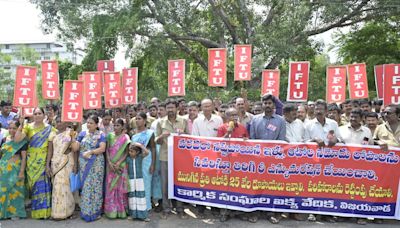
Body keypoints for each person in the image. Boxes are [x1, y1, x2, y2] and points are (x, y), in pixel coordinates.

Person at [14, 107, 57, 219]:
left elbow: (50, 149)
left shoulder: (50, 129)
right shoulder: (28, 127)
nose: (37, 115)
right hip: (31, 161)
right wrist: (21, 125)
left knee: (42, 185)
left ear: (44, 115)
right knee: (33, 186)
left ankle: (44, 213)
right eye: (35, 113)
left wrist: (48, 164)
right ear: (33, 115)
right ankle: (36, 211)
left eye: (39, 113)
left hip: (43, 160)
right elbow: (17, 139)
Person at [249, 94, 286, 224]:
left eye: (270, 103)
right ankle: (254, 212)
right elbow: (252, 140)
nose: (267, 106)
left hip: (273, 160)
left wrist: (272, 155)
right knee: (256, 186)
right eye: (265, 103)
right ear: (262, 105)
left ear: (274, 105)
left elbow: (281, 141)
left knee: (270, 187)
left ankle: (270, 212)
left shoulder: (281, 121)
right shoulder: (255, 120)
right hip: (257, 159)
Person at [304, 100, 341, 223]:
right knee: (313, 186)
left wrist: (336, 140)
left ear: (326, 111)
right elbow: (303, 142)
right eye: (316, 109)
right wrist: (314, 140)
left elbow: (339, 138)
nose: (318, 111)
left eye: (320, 109)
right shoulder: (308, 124)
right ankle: (312, 211)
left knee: (328, 187)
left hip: (330, 161)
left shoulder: (333, 124)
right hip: (314, 161)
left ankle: (327, 214)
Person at [155, 98, 189, 219]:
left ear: (176, 108)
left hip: (179, 158)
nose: (170, 110)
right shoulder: (161, 122)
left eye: (172, 107)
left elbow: (189, 139)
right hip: (164, 157)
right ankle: (166, 208)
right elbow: (156, 141)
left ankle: (180, 209)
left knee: (179, 183)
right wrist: (161, 136)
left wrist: (182, 134)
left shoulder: (184, 121)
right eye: (168, 108)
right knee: (165, 184)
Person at [339, 109, 373, 225]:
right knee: (345, 190)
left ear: (362, 118)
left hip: (360, 167)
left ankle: (360, 215)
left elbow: (370, 147)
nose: (353, 119)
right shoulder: (341, 129)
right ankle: (345, 214)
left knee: (359, 191)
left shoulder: (367, 131)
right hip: (344, 167)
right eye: (351, 116)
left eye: (356, 117)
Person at [71, 115, 106, 222]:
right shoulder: (82, 134)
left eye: (91, 123)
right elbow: (75, 148)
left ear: (96, 125)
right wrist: (73, 137)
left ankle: (95, 212)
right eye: (88, 123)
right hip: (84, 164)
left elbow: (102, 148)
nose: (89, 124)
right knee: (86, 187)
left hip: (96, 164)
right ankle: (86, 212)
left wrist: (91, 152)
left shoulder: (101, 135)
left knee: (96, 187)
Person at [49, 117, 77, 220]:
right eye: (56, 121)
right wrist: (47, 164)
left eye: (60, 121)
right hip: (56, 163)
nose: (58, 123)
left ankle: (68, 211)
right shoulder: (52, 134)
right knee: (57, 187)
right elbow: (50, 151)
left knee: (66, 187)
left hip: (67, 162)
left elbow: (75, 150)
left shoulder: (71, 133)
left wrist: (75, 165)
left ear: (66, 122)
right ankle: (57, 212)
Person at [0, 120, 28, 220]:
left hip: (16, 168)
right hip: (3, 170)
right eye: (10, 128)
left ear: (18, 129)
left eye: (14, 128)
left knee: (16, 191)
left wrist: (21, 171)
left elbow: (24, 157)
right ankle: (4, 213)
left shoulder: (22, 141)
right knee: (3, 191)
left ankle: (15, 213)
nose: (11, 130)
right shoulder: (4, 139)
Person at [130, 112, 157, 218]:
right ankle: (137, 206)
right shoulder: (133, 133)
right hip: (136, 161)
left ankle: (147, 207)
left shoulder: (149, 133)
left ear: (145, 121)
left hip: (147, 160)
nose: (137, 121)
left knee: (146, 183)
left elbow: (153, 149)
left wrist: (153, 164)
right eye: (136, 119)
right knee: (136, 183)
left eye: (139, 118)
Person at [104, 118, 130, 219]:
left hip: (121, 166)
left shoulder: (125, 137)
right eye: (114, 125)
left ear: (122, 127)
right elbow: (107, 150)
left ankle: (121, 211)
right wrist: (109, 162)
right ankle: (111, 211)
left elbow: (127, 152)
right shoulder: (110, 136)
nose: (116, 127)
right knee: (111, 188)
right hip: (110, 166)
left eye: (118, 125)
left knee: (120, 188)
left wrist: (119, 162)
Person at [126, 142, 150, 221]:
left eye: (132, 151)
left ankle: (143, 216)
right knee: (132, 197)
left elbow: (147, 152)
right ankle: (133, 215)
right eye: (129, 151)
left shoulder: (140, 157)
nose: (130, 153)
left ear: (137, 152)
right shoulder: (128, 159)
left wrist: (140, 146)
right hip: (131, 179)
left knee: (140, 197)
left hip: (139, 180)